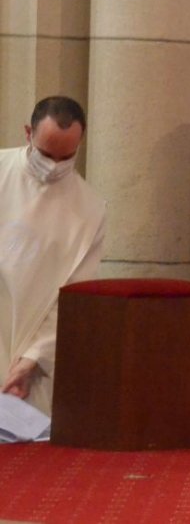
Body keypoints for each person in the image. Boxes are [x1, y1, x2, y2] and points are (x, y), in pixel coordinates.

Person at [0, 96, 106, 417]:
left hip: (30, 359)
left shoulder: (90, 208)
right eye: (46, 154)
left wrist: (34, 356)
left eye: (67, 156)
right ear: (28, 133)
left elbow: (74, 294)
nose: (54, 165)